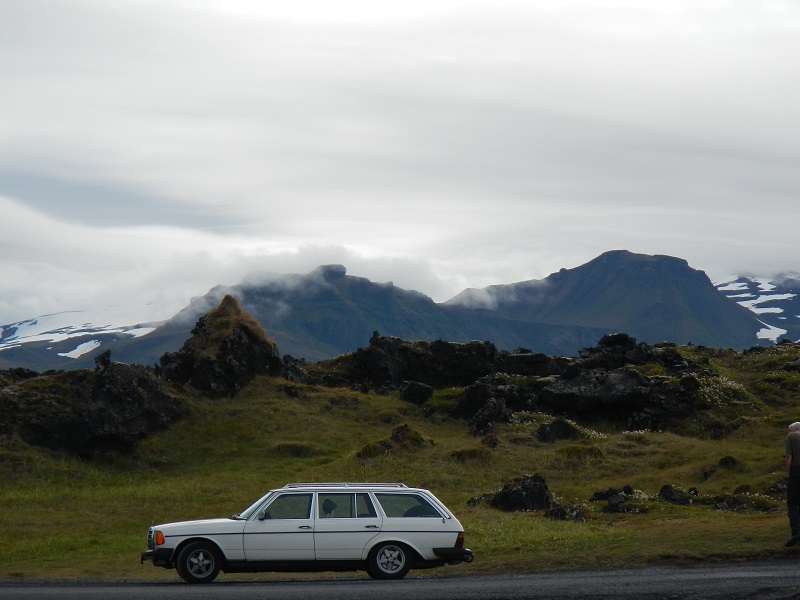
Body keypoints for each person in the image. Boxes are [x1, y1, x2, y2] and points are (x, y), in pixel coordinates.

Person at [784, 422, 800, 546]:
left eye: (790, 429)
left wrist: (789, 473)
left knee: (792, 503)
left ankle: (796, 532)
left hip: (796, 472)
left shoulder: (791, 436)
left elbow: (788, 456)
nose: (788, 431)